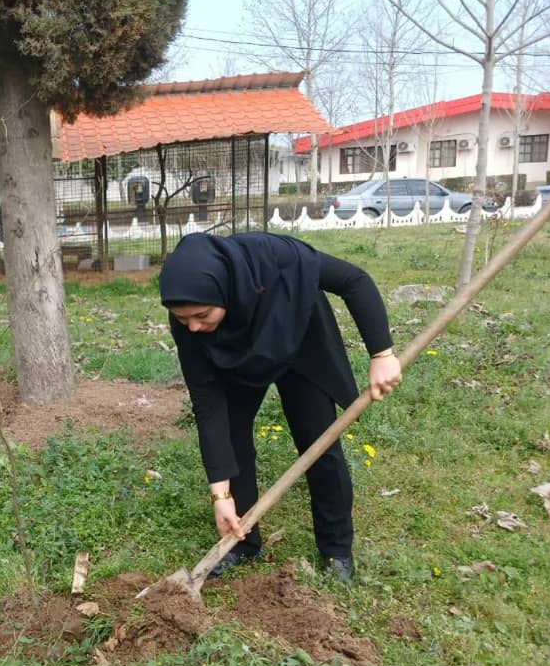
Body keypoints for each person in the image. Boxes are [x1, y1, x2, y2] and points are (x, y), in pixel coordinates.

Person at [158, 231, 402, 584]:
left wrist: (382, 354)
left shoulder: (278, 257)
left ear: (224, 288)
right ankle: (241, 544)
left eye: (200, 314)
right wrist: (220, 495)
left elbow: (354, 280)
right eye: (183, 320)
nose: (193, 326)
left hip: (299, 335)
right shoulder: (191, 323)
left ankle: (336, 550)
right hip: (235, 355)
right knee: (233, 438)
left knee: (318, 441)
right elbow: (209, 408)